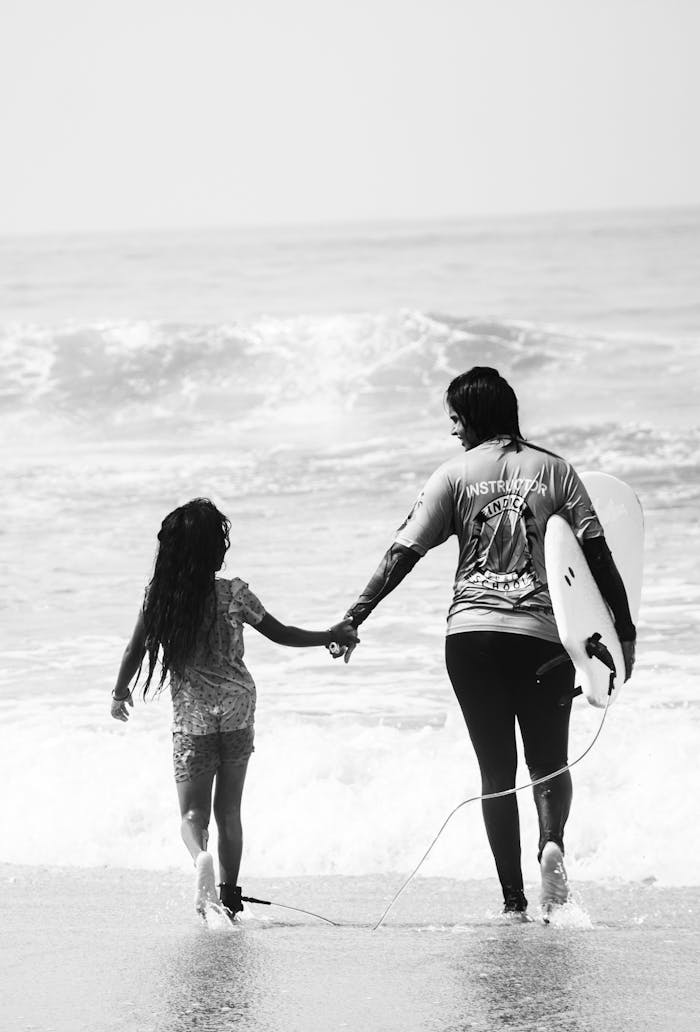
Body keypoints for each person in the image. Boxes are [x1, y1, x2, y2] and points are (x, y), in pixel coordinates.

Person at [335, 367, 636, 916]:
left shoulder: (452, 475)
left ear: (472, 416)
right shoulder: (555, 471)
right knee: (548, 764)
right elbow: (597, 552)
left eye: (455, 418)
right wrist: (623, 631)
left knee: (495, 773)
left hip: (469, 638)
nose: (452, 431)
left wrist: (357, 615)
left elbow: (402, 551)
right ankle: (551, 846)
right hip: (542, 640)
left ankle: (513, 901)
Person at [110, 497, 358, 919]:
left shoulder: (160, 598)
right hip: (239, 709)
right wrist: (328, 635)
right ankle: (229, 895)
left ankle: (199, 861)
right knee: (229, 811)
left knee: (193, 815)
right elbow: (282, 633)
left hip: (193, 718)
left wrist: (119, 691)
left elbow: (136, 647)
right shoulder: (235, 593)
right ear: (216, 549)